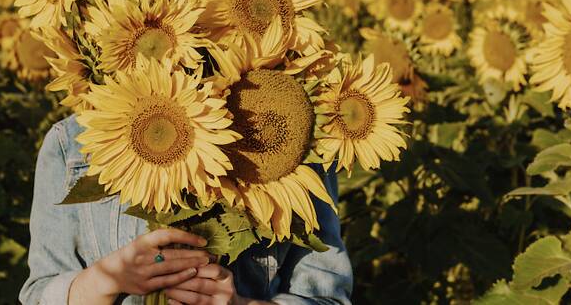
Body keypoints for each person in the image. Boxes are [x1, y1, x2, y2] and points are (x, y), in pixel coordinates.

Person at [20, 115, 354, 305]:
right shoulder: (75, 142)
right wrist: (109, 277)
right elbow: (37, 295)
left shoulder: (288, 139)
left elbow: (329, 299)